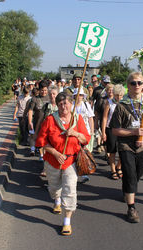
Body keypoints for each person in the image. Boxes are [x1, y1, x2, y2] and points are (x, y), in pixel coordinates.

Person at [36, 92, 91, 236]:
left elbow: (86, 139)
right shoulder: (50, 120)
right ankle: (57, 199)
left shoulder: (77, 119)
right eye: (60, 104)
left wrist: (75, 134)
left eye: (66, 103)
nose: (64, 106)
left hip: (71, 161)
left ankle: (67, 221)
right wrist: (55, 153)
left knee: (70, 189)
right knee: (54, 188)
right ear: (57, 105)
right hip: (53, 160)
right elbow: (41, 142)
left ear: (71, 104)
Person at [110, 72, 143, 223]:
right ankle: (131, 207)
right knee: (130, 174)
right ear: (128, 86)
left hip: (142, 147)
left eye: (139, 83)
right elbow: (115, 130)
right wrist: (133, 132)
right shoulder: (121, 106)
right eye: (133, 83)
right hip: (126, 146)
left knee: (138, 174)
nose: (136, 86)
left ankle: (128, 189)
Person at [101, 84, 124, 180]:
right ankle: (113, 170)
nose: (118, 97)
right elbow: (105, 118)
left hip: (122, 130)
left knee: (123, 150)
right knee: (112, 151)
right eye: (117, 95)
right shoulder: (109, 102)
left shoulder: (124, 103)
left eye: (120, 95)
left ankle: (119, 166)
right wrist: (103, 132)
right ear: (114, 94)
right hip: (111, 129)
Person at [72, 88, 95, 184]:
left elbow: (90, 119)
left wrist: (92, 132)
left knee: (84, 153)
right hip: (74, 132)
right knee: (75, 153)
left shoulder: (86, 105)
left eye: (81, 95)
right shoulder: (71, 106)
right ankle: (75, 173)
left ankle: (84, 172)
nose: (79, 97)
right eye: (77, 95)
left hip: (85, 132)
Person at [28, 80, 50, 157]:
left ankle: (42, 153)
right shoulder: (35, 99)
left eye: (45, 90)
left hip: (47, 123)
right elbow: (30, 110)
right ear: (39, 90)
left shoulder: (50, 98)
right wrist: (30, 122)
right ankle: (32, 150)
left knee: (44, 138)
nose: (44, 92)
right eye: (42, 90)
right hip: (36, 121)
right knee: (34, 136)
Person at [92, 75, 110, 153]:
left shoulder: (110, 90)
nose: (106, 84)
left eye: (107, 82)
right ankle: (99, 144)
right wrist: (90, 109)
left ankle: (104, 144)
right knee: (97, 127)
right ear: (102, 81)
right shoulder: (97, 89)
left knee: (105, 128)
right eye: (105, 82)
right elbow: (92, 100)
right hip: (98, 111)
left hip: (107, 112)